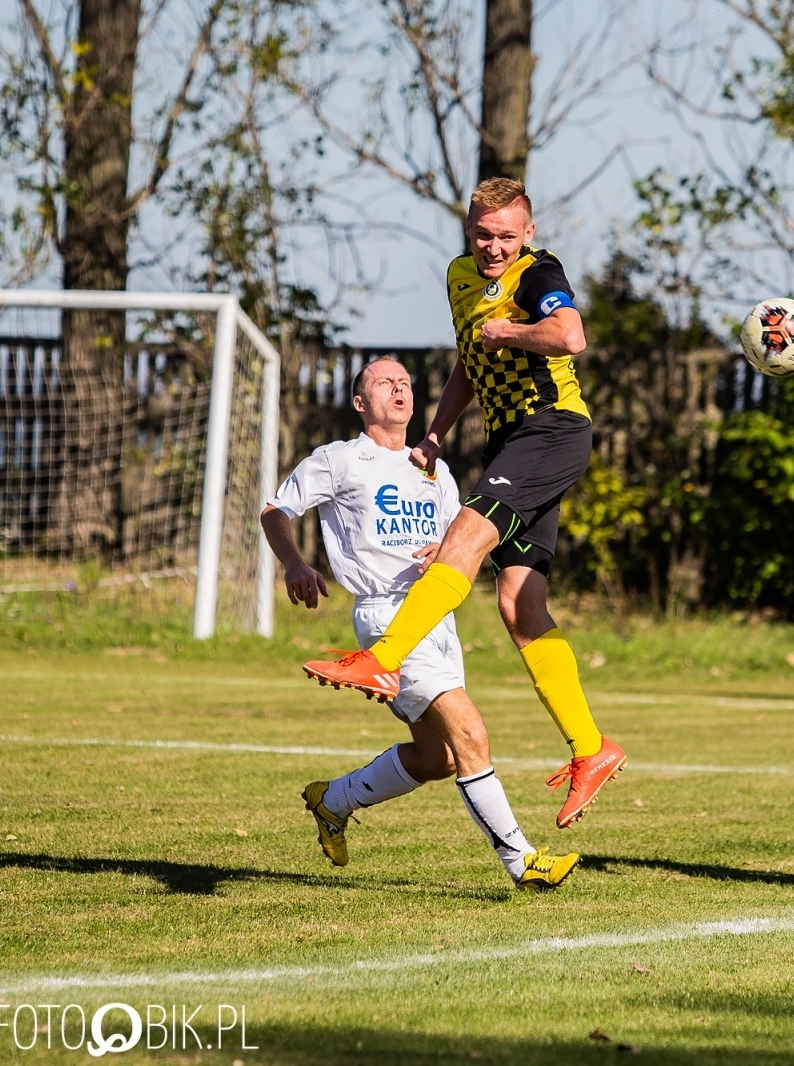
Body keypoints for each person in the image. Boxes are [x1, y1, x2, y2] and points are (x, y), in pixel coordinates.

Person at [301, 177, 625, 831]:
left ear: (528, 234)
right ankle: (592, 749)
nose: (494, 246)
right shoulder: (458, 277)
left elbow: (568, 336)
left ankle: (384, 658)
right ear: (467, 230)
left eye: (507, 234)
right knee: (519, 604)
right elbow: (468, 360)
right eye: (483, 234)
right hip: (516, 441)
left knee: (463, 540)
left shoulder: (539, 274)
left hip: (551, 429)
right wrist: (438, 430)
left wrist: (512, 332)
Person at [260, 358, 578, 890]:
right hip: (387, 617)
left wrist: (443, 551)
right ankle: (522, 861)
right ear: (361, 403)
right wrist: (293, 562)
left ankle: (331, 799)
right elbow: (275, 510)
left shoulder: (434, 469)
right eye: (384, 383)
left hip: (436, 617)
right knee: (471, 731)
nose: (399, 390)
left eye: (405, 383)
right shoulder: (340, 460)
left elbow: (463, 537)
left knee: (440, 757)